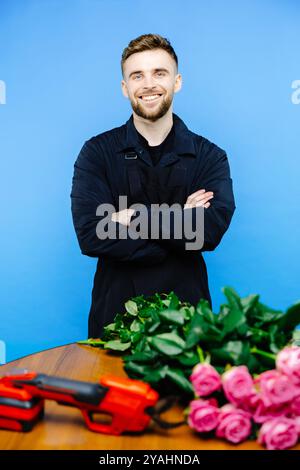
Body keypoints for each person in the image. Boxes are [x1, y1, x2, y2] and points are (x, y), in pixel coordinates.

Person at [70, 33, 236, 339]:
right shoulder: (96, 152)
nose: (148, 84)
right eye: (137, 75)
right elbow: (92, 235)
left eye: (159, 73)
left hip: (189, 322)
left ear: (177, 82)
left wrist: (130, 215)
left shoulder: (210, 156)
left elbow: (208, 230)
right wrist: (181, 217)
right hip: (114, 320)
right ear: (125, 87)